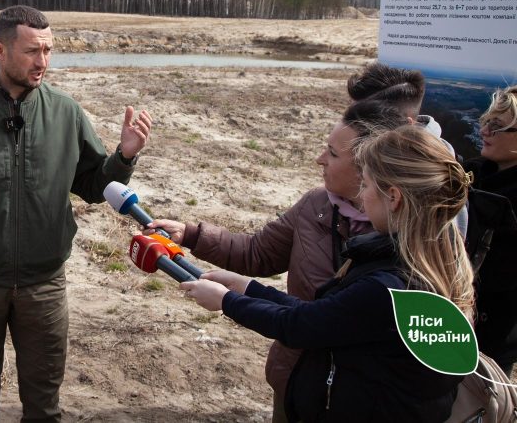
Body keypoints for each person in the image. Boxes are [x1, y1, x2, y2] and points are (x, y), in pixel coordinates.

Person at [0, 4, 152, 422]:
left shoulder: (65, 112)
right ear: (0, 50)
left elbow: (94, 186)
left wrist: (124, 157)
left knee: (44, 405)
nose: (42, 61)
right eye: (31, 51)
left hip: (44, 287)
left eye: (48, 50)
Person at [181, 125, 473, 422]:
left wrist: (227, 301)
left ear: (394, 197)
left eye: (367, 185)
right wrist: (249, 288)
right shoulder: (433, 265)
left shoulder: (389, 288)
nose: (363, 195)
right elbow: (327, 316)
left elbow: (299, 326)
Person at [145, 100, 405, 421]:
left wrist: (228, 301)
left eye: (332, 154)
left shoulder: (406, 259)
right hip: (298, 380)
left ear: (370, 167)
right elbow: (259, 253)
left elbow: (307, 322)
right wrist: (192, 235)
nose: (319, 159)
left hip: (361, 400)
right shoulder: (315, 205)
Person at [466, 84, 517, 376]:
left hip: (496, 328)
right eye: (486, 122)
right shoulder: (471, 174)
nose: (484, 131)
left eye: (497, 126)